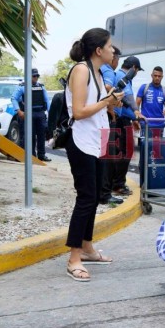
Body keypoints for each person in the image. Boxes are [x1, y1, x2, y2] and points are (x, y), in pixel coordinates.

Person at [63, 27, 124, 282]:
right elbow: (77, 111)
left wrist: (113, 103)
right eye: (110, 46)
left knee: (95, 196)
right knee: (86, 198)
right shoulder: (81, 70)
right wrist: (106, 102)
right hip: (80, 142)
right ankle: (74, 258)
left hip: (96, 142)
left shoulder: (98, 73)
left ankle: (87, 247)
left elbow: (97, 106)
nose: (113, 50)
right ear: (98, 50)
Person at [105, 56, 144, 198]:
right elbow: (128, 98)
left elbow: (125, 102)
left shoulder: (119, 75)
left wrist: (133, 118)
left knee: (119, 153)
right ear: (134, 68)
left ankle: (114, 183)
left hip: (121, 118)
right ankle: (118, 184)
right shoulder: (122, 76)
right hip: (120, 120)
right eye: (137, 70)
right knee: (126, 152)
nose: (137, 73)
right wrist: (137, 113)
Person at [99, 46, 125, 204]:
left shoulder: (96, 69)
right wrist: (113, 109)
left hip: (97, 119)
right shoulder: (108, 70)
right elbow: (108, 89)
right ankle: (105, 194)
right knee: (109, 157)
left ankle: (101, 191)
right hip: (105, 119)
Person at [11, 68, 52, 161]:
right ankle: (31, 155)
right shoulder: (22, 86)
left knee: (42, 135)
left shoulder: (41, 87)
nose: (36, 78)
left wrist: (50, 114)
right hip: (28, 114)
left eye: (37, 76)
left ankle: (41, 155)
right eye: (34, 76)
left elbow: (47, 101)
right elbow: (13, 98)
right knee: (30, 135)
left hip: (40, 113)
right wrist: (18, 110)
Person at [136, 66, 165, 138]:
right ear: (151, 75)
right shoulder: (144, 87)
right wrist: (137, 118)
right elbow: (136, 104)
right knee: (145, 147)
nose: (157, 78)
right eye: (155, 76)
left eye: (159, 76)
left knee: (158, 148)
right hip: (145, 124)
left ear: (162, 77)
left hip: (160, 125)